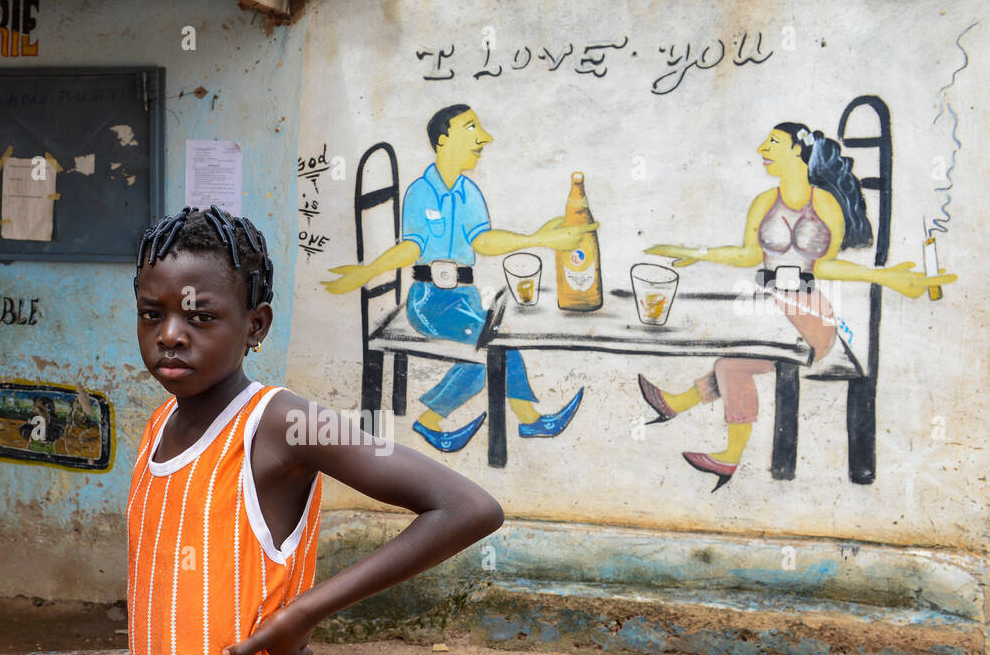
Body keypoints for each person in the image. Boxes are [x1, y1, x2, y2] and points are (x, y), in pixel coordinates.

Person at [49, 205, 506, 655]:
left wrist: (302, 613)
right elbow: (197, 602)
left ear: (254, 325)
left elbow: (465, 507)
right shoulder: (158, 427)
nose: (171, 335)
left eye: (201, 317)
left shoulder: (278, 425)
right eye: (153, 314)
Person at [637, 121, 957, 490]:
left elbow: (827, 265)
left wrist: (884, 277)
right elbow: (747, 255)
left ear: (797, 150)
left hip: (808, 316)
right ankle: (680, 410)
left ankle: (719, 448)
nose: (762, 149)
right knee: (732, 362)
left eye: (772, 142)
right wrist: (696, 253)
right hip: (767, 308)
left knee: (733, 363)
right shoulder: (763, 202)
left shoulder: (824, 203)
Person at [324, 104, 598, 452]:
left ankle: (496, 422)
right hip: (428, 302)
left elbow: (483, 241)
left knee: (498, 343)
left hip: (464, 301)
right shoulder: (421, 192)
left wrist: (536, 239)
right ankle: (488, 421)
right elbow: (411, 247)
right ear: (443, 139)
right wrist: (367, 271)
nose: (484, 138)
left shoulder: (469, 193)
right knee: (492, 348)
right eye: (471, 128)